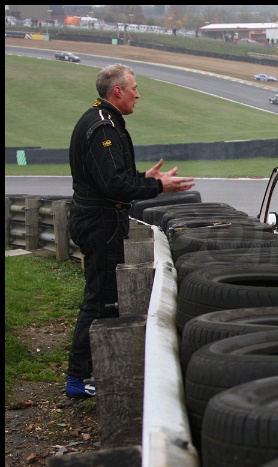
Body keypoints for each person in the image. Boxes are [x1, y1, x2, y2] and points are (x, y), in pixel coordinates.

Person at [66, 63, 195, 399]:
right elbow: (114, 185)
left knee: (103, 296)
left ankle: (84, 373)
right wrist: (156, 186)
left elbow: (115, 178)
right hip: (100, 222)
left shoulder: (101, 119)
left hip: (99, 219)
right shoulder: (103, 127)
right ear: (117, 91)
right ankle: (79, 377)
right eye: (134, 88)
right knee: (100, 299)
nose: (139, 94)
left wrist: (145, 178)